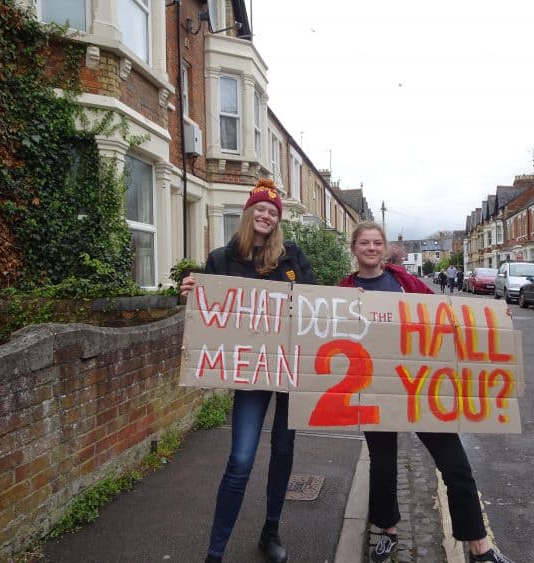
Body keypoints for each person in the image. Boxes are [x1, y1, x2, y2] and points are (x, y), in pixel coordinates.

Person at [338, 221, 514, 563]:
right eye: (364, 243)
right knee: (383, 466)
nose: (371, 248)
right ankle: (387, 531)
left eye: (377, 243)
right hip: (375, 390)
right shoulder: (344, 289)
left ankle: (480, 547)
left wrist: (493, 321)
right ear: (354, 248)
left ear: (385, 248)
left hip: (422, 387)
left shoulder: (407, 283)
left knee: (455, 464)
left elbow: (445, 318)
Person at [180, 178, 317, 563]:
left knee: (284, 449)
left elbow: (315, 303)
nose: (266, 215)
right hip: (250, 373)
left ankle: (271, 529)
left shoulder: (291, 257)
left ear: (278, 221)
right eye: (260, 209)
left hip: (289, 370)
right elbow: (210, 310)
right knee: (241, 458)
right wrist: (194, 291)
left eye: (272, 212)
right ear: (248, 213)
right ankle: (215, 551)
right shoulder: (222, 258)